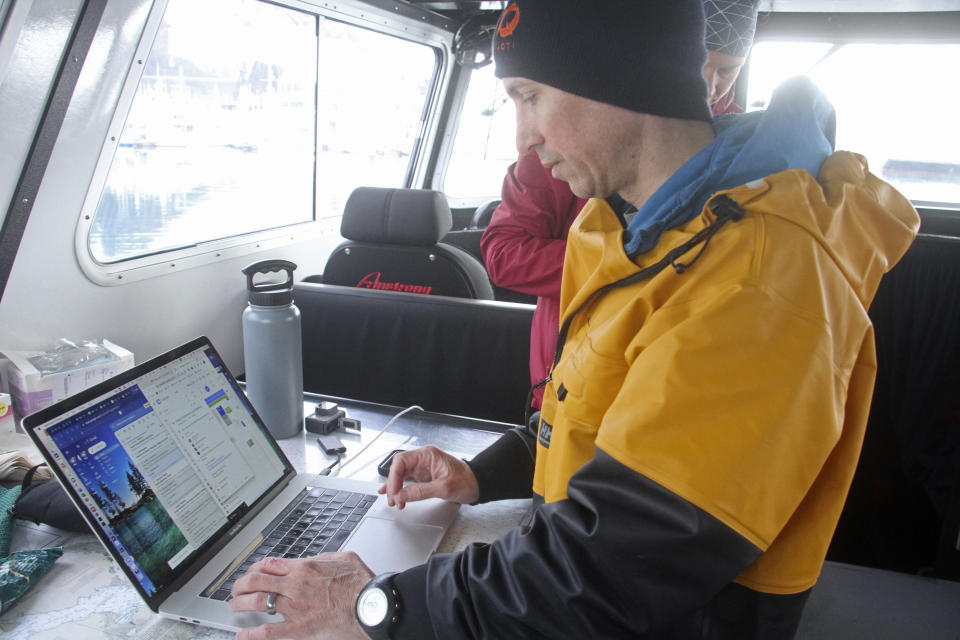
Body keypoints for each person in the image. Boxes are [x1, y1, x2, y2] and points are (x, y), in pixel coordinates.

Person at [229, 2, 919, 638]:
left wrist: (375, 608)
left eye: (531, 96)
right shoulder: (620, 221)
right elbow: (598, 415)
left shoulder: (762, 280)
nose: (525, 138)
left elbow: (612, 568)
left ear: (621, 78)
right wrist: (480, 474)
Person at [482, 0, 760, 412]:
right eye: (703, 64)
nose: (710, 85)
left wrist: (638, 263)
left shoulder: (756, 201)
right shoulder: (562, 155)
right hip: (563, 388)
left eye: (727, 72)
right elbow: (505, 250)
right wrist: (631, 261)